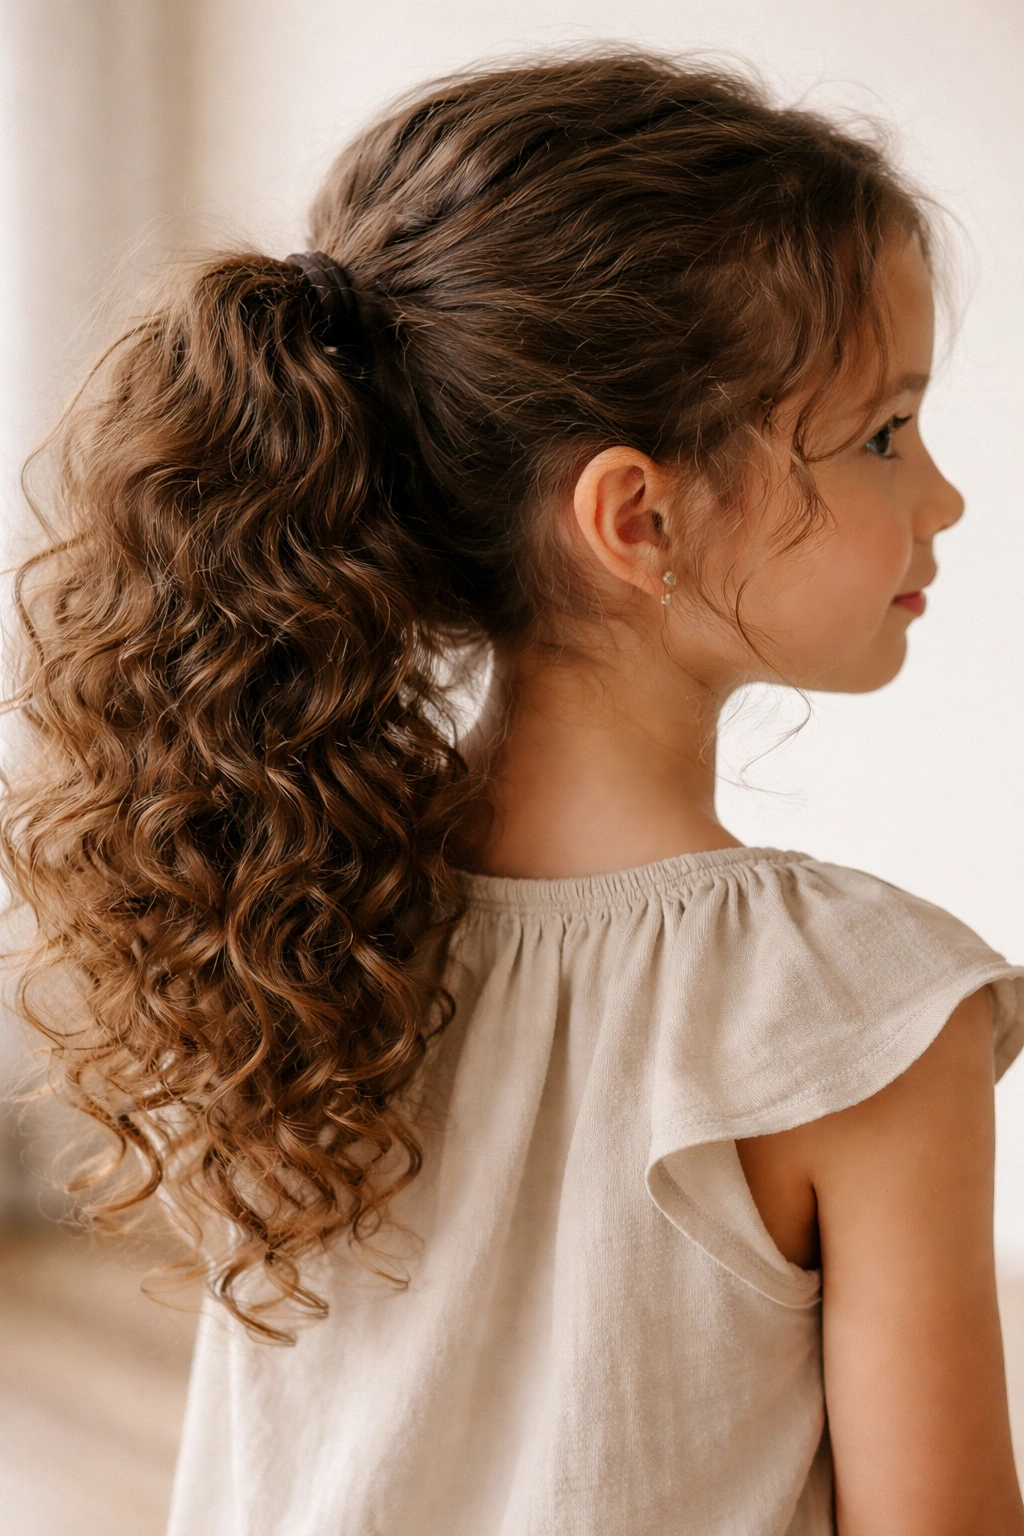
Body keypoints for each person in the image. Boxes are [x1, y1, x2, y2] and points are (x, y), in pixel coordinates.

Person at [3, 51, 1024, 1536]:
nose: (941, 497)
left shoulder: (288, 914)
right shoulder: (858, 1014)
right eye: (883, 433)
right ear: (639, 515)